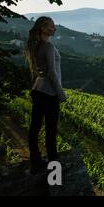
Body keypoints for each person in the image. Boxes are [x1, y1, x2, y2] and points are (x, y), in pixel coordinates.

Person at [24, 16, 67, 174]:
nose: (54, 29)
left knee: (34, 127)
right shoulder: (48, 46)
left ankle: (35, 161)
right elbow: (52, 73)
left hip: (37, 90)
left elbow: (41, 72)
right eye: (50, 27)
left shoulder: (36, 46)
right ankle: (54, 164)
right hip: (49, 93)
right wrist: (60, 93)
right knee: (51, 129)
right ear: (42, 28)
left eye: (54, 26)